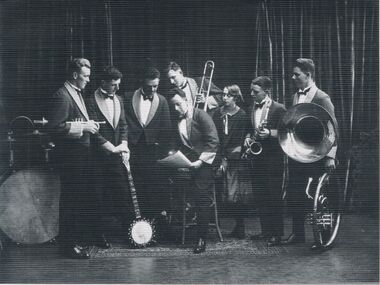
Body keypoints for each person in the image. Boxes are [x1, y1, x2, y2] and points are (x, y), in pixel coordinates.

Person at [282, 58, 338, 250]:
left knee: (319, 197)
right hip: (298, 154)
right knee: (296, 194)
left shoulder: (322, 98)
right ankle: (298, 234)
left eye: (297, 74)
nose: (293, 77)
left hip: (318, 154)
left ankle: (323, 238)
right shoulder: (294, 96)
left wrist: (330, 157)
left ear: (308, 74)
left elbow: (333, 129)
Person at [46, 58, 99, 259]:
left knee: (77, 200)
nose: (88, 80)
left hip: (80, 156)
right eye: (85, 76)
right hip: (70, 158)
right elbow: (54, 128)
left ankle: (73, 242)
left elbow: (72, 121)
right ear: (75, 75)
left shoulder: (75, 94)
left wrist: (88, 123)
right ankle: (68, 246)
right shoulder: (62, 95)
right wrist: (83, 127)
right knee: (70, 201)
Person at [167, 87, 219, 254]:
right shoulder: (176, 120)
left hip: (206, 162)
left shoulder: (200, 115)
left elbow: (213, 141)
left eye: (178, 105)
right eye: (173, 106)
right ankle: (174, 230)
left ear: (187, 101)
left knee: (200, 194)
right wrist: (174, 157)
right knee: (168, 184)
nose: (176, 109)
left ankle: (201, 238)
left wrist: (200, 161)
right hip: (189, 163)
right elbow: (177, 144)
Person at [86, 66, 133, 248]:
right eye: (114, 85)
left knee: (122, 194)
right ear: (103, 82)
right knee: (97, 197)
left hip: (116, 156)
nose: (117, 88)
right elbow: (93, 131)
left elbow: (123, 125)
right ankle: (98, 236)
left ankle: (130, 232)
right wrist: (109, 147)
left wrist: (124, 144)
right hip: (98, 158)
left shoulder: (119, 99)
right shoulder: (89, 101)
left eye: (118, 84)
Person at [123, 67, 172, 221]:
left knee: (152, 187)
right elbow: (122, 123)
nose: (152, 89)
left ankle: (152, 224)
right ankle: (133, 223)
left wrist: (161, 148)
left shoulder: (162, 101)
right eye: (149, 86)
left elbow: (167, 127)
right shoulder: (127, 97)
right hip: (133, 149)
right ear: (142, 82)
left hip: (152, 151)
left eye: (155, 86)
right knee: (133, 186)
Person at [245, 76, 286, 247]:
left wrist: (269, 133)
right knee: (261, 196)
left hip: (273, 159)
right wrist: (247, 138)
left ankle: (277, 234)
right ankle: (266, 231)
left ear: (267, 92)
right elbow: (248, 129)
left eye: (256, 92)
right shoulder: (251, 107)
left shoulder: (279, 109)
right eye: (251, 91)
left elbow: (286, 133)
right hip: (257, 158)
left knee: (274, 197)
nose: (252, 95)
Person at [212, 85, 252, 239]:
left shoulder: (242, 115)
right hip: (220, 156)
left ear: (235, 97)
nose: (224, 98)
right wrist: (221, 156)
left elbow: (245, 134)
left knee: (237, 194)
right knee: (221, 191)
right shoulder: (217, 113)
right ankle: (218, 227)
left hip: (236, 159)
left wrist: (236, 151)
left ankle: (240, 226)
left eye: (228, 95)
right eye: (223, 95)